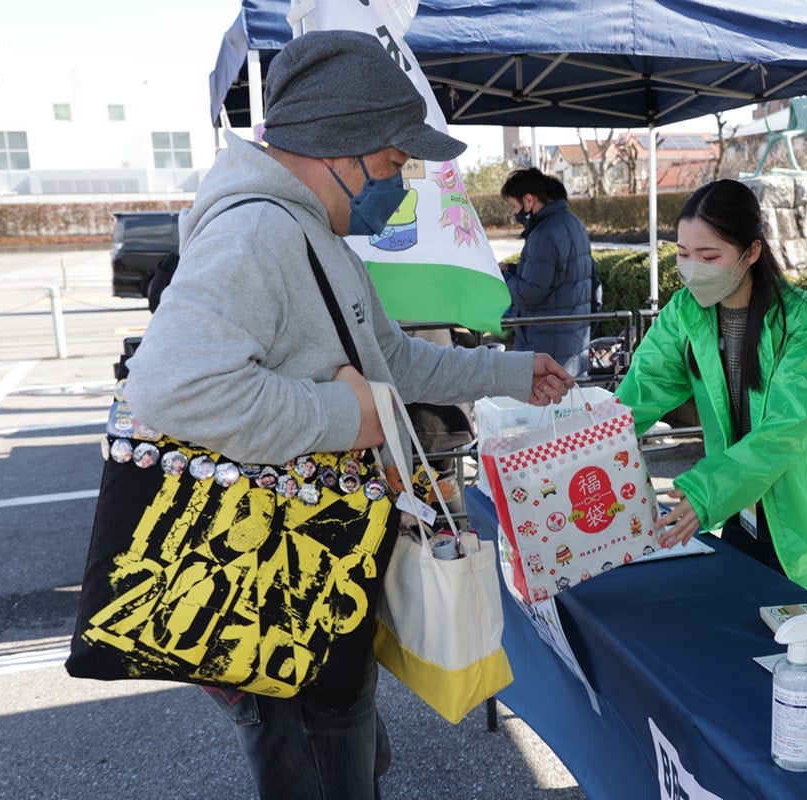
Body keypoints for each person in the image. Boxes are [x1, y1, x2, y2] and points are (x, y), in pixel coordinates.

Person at [122, 30, 573, 800]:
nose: (400, 184)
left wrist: (509, 371)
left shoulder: (312, 232)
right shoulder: (259, 231)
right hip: (277, 590)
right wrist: (348, 416)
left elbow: (392, 361)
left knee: (348, 752)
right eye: (396, 164)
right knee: (323, 762)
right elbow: (169, 389)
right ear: (343, 147)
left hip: (309, 568)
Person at [615, 179, 807, 606]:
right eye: (682, 254)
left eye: (709, 256)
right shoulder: (685, 310)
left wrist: (704, 493)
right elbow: (643, 388)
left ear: (751, 253)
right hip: (739, 502)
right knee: (741, 635)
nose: (693, 267)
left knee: (798, 644)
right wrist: (585, 444)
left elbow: (784, 431)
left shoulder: (801, 322)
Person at [499, 168, 599, 377]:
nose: (514, 212)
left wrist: (503, 278)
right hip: (573, 337)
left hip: (546, 342)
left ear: (528, 200)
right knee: (572, 403)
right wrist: (513, 268)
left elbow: (530, 292)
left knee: (545, 406)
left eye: (513, 205)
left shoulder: (543, 233)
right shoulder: (574, 223)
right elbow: (563, 274)